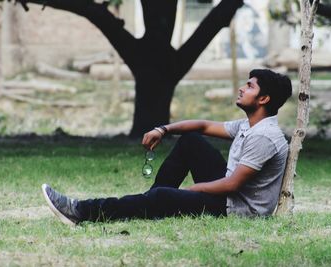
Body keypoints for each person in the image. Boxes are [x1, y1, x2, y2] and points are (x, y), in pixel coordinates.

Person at [42, 69, 292, 226]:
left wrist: (196, 190)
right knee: (191, 141)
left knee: (162, 197)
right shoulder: (250, 125)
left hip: (238, 209)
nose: (241, 87)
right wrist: (163, 129)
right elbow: (203, 126)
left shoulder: (264, 137)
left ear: (263, 99)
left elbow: (232, 185)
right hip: (229, 195)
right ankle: (151, 203)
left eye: (249, 86)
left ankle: (79, 211)